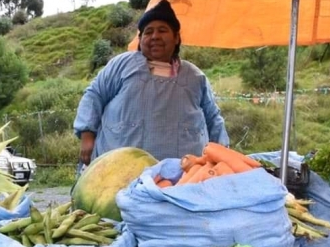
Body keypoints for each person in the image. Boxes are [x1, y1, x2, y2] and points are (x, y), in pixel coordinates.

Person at [73, 0, 229, 166]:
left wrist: (222, 155)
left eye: (162, 30)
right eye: (148, 32)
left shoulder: (195, 77)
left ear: (176, 38)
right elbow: (94, 95)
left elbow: (213, 119)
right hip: (119, 171)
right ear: (140, 39)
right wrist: (87, 136)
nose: (155, 36)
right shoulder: (121, 65)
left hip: (182, 175)